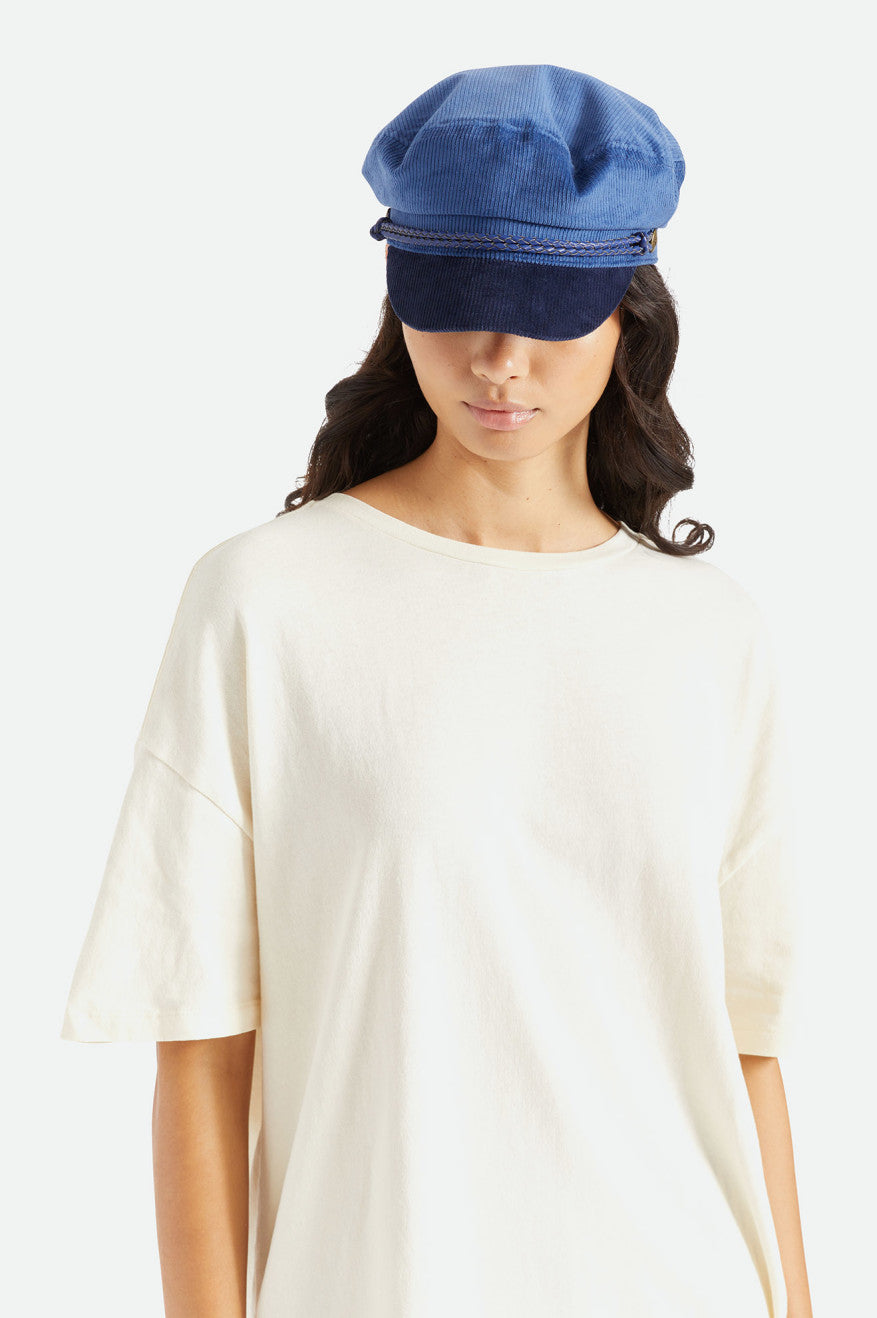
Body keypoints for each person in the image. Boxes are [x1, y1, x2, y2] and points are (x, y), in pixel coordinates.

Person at [59, 64, 813, 1318]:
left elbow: (744, 1056)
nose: (498, 360)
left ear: (627, 310)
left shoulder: (713, 636)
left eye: (547, 309)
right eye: (456, 302)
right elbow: (197, 1046)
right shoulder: (265, 603)